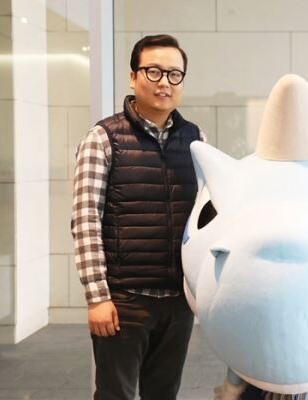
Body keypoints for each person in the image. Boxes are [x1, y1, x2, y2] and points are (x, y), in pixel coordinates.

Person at [71, 34, 204, 400]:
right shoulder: (103, 138)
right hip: (124, 301)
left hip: (178, 301)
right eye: (154, 71)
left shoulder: (196, 140)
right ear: (133, 77)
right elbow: (85, 221)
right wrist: (97, 297)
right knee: (116, 394)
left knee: (164, 394)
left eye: (174, 74)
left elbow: (205, 218)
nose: (165, 82)